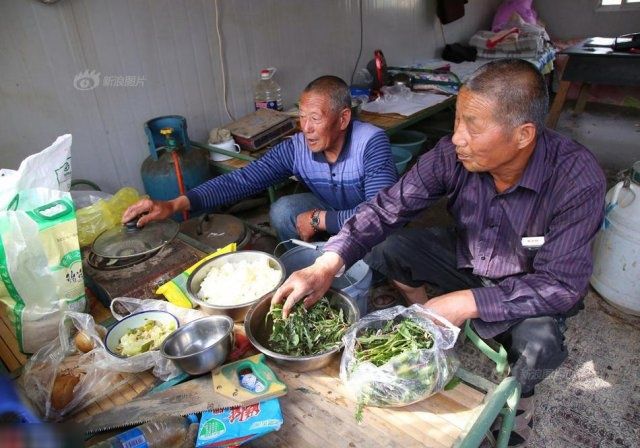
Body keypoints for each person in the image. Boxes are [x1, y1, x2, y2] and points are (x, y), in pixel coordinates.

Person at [272, 59, 606, 447]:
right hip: (467, 256)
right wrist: (327, 263)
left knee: (540, 344)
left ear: (523, 134)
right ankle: (432, 318)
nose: (457, 137)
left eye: (472, 126)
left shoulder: (576, 179)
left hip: (530, 281)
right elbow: (385, 210)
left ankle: (520, 402)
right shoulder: (452, 154)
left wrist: (464, 302)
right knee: (386, 244)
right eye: (457, 120)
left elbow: (562, 285)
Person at [122, 75, 398, 243]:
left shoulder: (371, 143)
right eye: (301, 117)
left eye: (315, 118)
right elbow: (243, 180)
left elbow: (378, 214)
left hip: (373, 216)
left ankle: (353, 267)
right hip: (333, 207)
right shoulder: (297, 148)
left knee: (383, 244)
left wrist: (318, 219)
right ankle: (312, 265)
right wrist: (175, 204)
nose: (306, 128)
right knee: (283, 210)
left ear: (343, 119)